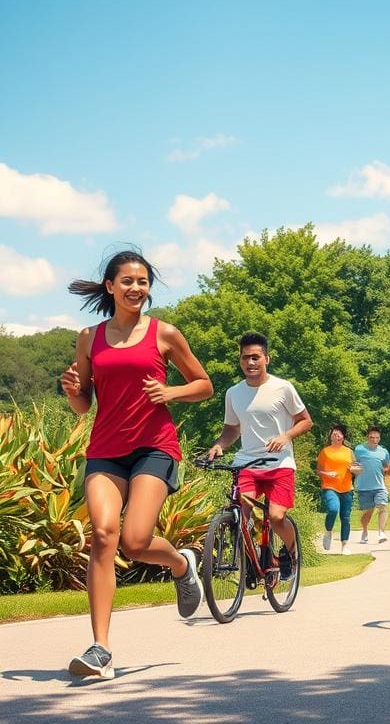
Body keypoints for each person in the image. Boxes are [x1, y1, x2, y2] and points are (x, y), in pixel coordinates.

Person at [61, 251, 213, 679]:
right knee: (104, 536)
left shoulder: (165, 333)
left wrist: (171, 393)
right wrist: (73, 389)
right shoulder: (89, 337)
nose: (136, 288)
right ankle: (100, 649)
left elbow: (203, 385)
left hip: (154, 446)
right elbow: (82, 405)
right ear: (110, 286)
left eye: (143, 281)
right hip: (106, 448)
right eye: (127, 281)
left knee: (135, 540)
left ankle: (182, 564)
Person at [207, 332, 312, 579]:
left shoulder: (283, 388)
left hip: (280, 464)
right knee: (240, 515)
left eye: (255, 357)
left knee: (276, 517)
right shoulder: (233, 393)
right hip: (246, 463)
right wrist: (219, 445)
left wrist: (285, 437)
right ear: (240, 360)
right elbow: (232, 429)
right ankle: (254, 561)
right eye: (245, 358)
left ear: (267, 359)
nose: (250, 363)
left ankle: (291, 551)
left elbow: (305, 421)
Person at [317, 424, 357, 555]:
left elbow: (355, 468)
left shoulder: (349, 452)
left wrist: (355, 469)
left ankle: (344, 546)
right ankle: (328, 531)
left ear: (343, 437)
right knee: (333, 509)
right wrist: (327, 474)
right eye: (334, 432)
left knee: (345, 517)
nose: (336, 434)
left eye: (339, 433)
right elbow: (318, 470)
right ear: (331, 436)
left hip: (347, 488)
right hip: (330, 487)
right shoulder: (325, 451)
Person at [354, 426, 390, 544]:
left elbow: (387, 466)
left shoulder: (383, 451)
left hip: (379, 486)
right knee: (368, 513)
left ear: (379, 438)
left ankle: (381, 532)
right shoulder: (359, 449)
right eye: (372, 437)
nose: (374, 440)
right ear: (367, 437)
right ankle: (365, 530)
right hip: (363, 487)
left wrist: (382, 470)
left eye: (377, 438)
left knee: (382, 506)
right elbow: (353, 463)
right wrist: (356, 469)